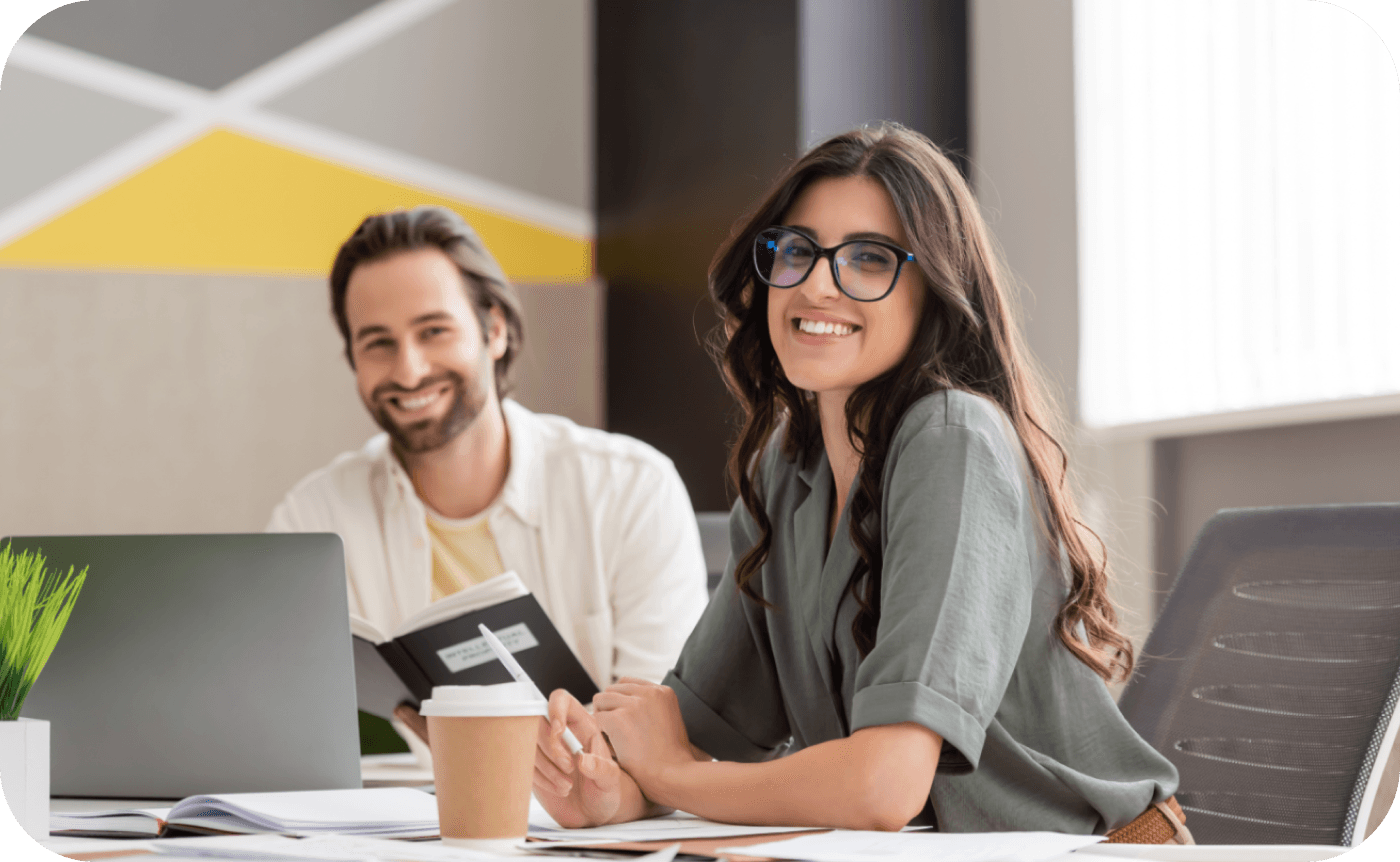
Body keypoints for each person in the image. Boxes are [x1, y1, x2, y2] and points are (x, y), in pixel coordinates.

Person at [532, 125, 1185, 839]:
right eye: (796, 251)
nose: (816, 283)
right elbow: (693, 738)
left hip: (1097, 853)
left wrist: (672, 777)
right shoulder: (786, 464)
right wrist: (612, 789)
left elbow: (882, 786)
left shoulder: (950, 437)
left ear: (934, 291)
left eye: (870, 259)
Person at [268, 206, 708, 688]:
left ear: (494, 330)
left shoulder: (630, 490)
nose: (409, 371)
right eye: (378, 343)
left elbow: (662, 737)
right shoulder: (313, 522)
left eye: (434, 331)